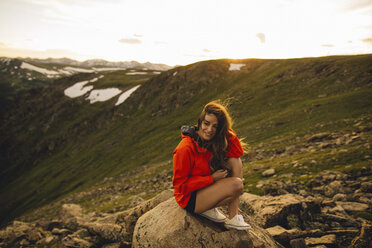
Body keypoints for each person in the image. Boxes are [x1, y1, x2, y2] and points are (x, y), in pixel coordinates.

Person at [172, 100, 251, 230]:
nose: (209, 130)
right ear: (200, 122)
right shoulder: (184, 148)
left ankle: (233, 217)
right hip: (189, 198)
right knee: (237, 184)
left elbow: (237, 152)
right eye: (206, 124)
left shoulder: (211, 140)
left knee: (234, 161)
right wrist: (211, 179)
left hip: (203, 189)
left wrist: (224, 131)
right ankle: (205, 208)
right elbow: (180, 186)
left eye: (215, 126)